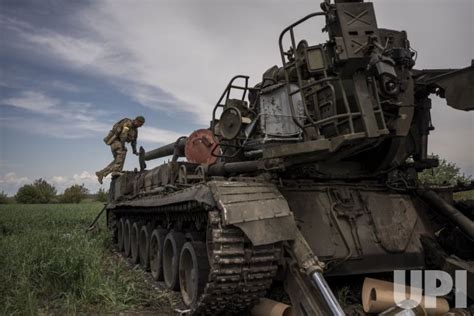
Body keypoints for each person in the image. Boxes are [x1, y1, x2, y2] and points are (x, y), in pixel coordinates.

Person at [96, 116, 145, 184]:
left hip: (119, 142)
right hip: (115, 140)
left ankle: (101, 173)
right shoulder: (128, 123)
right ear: (137, 121)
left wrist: (135, 151)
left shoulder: (135, 130)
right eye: (140, 124)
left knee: (117, 161)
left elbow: (134, 142)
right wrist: (123, 145)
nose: (140, 126)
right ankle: (116, 171)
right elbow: (123, 134)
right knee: (123, 151)